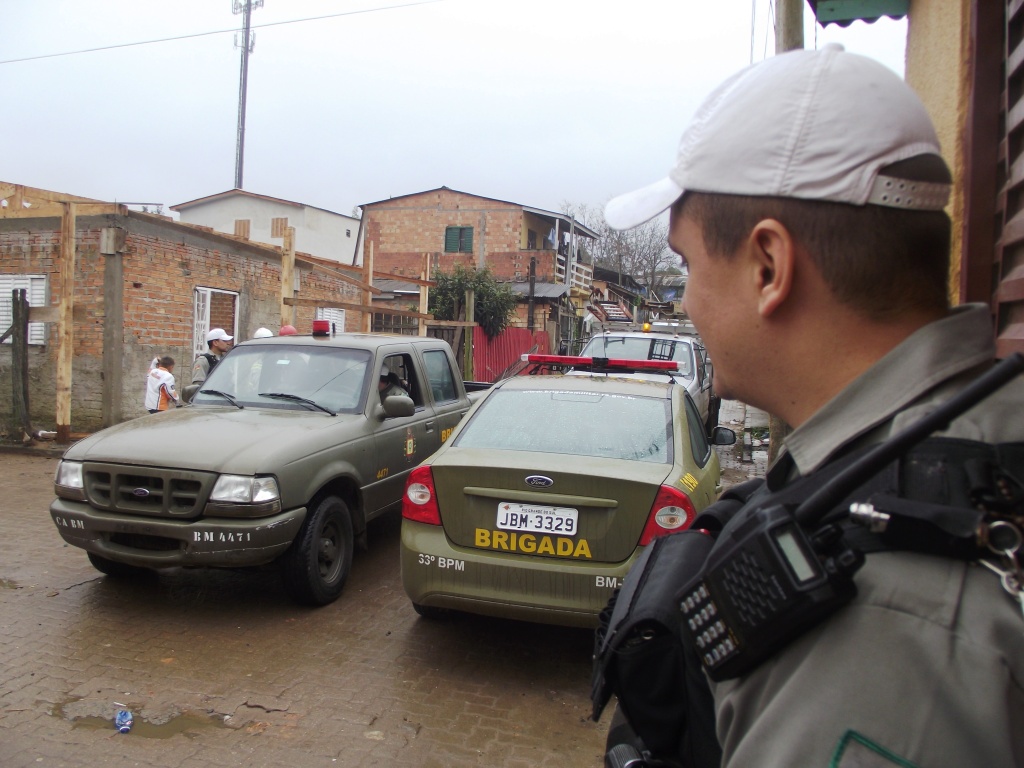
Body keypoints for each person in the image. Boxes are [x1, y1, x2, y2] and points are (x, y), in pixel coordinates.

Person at [602, 44, 1024, 767]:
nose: (686, 301)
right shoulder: (985, 426)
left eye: (687, 264)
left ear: (769, 266)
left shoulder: (884, 625)